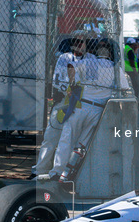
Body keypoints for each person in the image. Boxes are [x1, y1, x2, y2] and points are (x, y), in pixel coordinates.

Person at [39, 39, 116, 183]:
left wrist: (73, 84)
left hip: (80, 104)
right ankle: (64, 173)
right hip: (96, 108)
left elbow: (71, 69)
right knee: (76, 143)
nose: (80, 45)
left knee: (67, 139)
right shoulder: (113, 66)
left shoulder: (88, 61)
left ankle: (59, 172)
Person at [33, 37, 91, 178]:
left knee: (71, 141)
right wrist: (70, 89)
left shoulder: (91, 59)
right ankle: (40, 170)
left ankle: (65, 172)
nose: (79, 45)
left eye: (81, 42)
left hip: (81, 105)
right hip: (64, 102)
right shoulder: (65, 58)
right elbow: (58, 80)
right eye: (76, 43)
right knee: (51, 137)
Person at [124, 38, 139, 103]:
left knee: (133, 86)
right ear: (132, 44)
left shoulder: (125, 48)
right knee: (136, 86)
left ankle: (135, 99)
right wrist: (135, 71)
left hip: (127, 69)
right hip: (131, 70)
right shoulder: (130, 50)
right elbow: (132, 62)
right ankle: (136, 100)